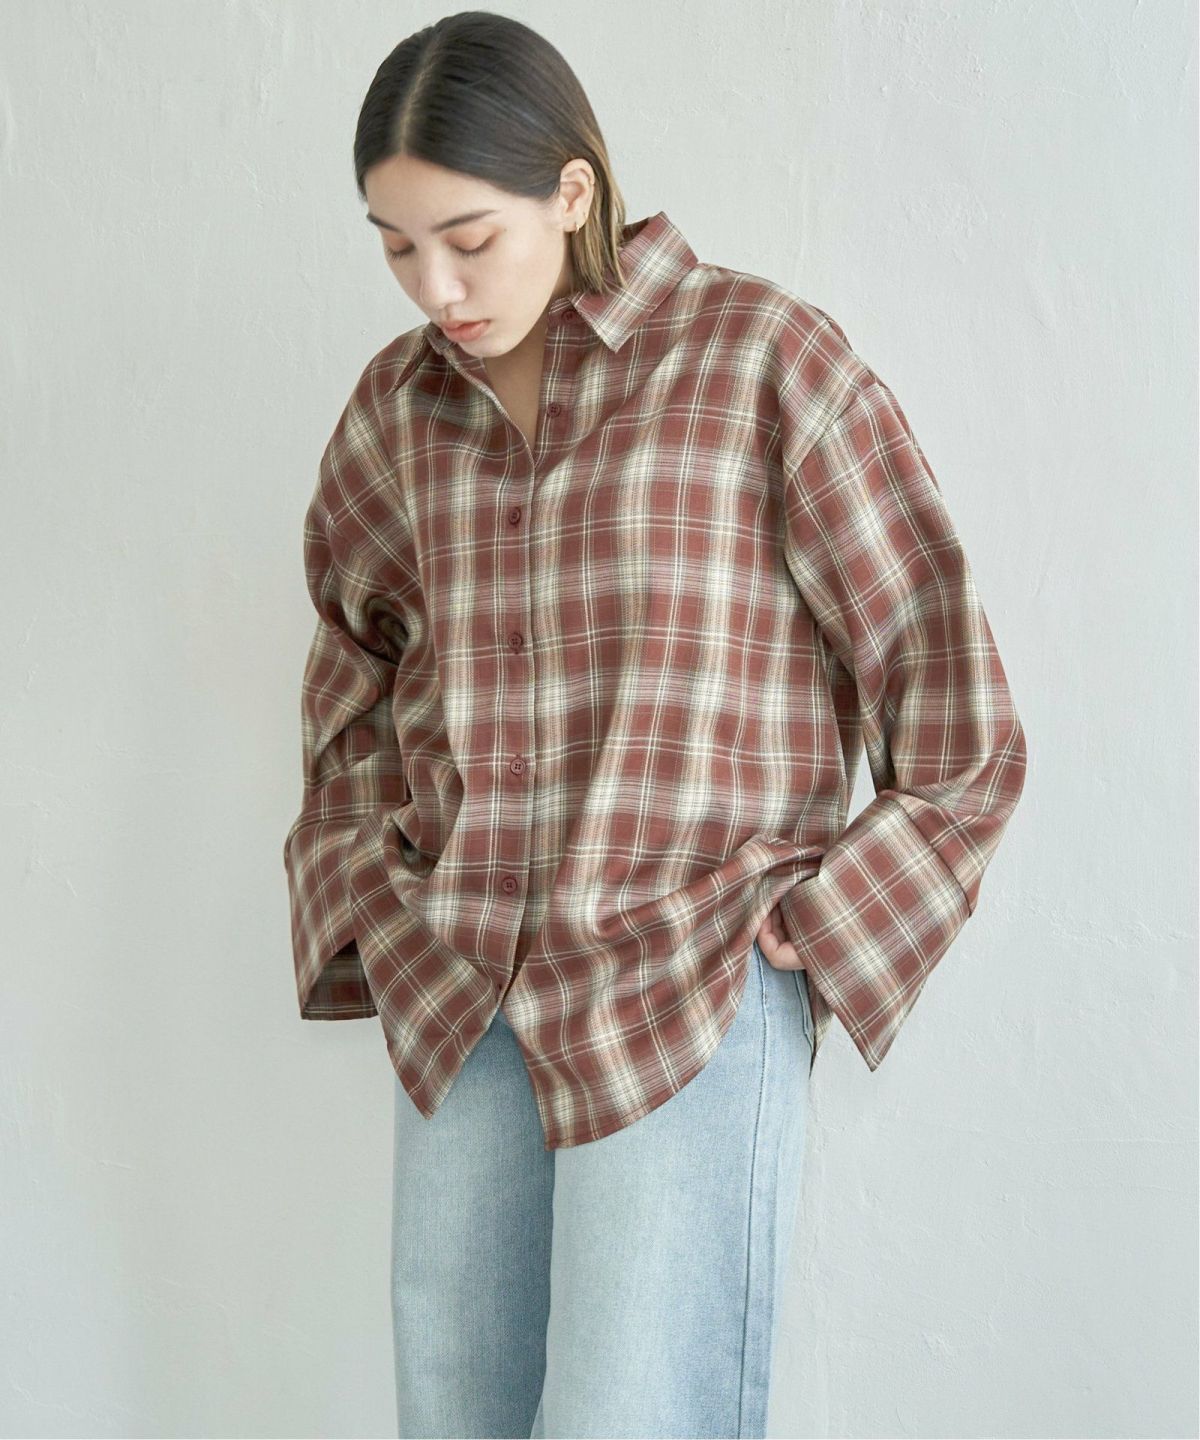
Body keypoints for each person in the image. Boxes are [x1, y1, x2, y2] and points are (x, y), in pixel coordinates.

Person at [281, 11, 1028, 1438]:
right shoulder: (395, 414)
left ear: (573, 190)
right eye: (396, 246)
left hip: (687, 984)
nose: (435, 286)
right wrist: (368, 892)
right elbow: (352, 665)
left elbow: (950, 697)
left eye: (469, 238)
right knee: (454, 1415)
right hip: (464, 993)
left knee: (634, 1417)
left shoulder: (761, 363)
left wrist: (813, 936)